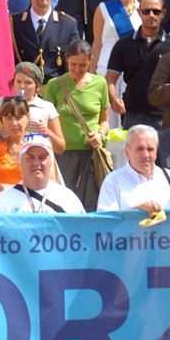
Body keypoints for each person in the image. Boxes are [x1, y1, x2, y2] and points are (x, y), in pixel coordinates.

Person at [44, 38, 110, 211]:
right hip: (62, 156)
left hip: (91, 156)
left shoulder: (100, 84)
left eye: (83, 65)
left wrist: (100, 135)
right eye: (73, 64)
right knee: (62, 203)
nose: (77, 70)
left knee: (91, 204)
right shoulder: (55, 85)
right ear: (66, 59)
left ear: (91, 61)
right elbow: (46, 119)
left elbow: (105, 120)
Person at [106, 0, 170, 129]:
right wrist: (114, 99)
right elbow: (111, 78)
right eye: (146, 11)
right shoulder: (123, 44)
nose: (151, 15)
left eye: (156, 11)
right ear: (139, 13)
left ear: (163, 13)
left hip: (165, 116)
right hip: (132, 115)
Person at [10, 0, 80, 83]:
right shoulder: (13, 24)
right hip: (25, 93)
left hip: (58, 93)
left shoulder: (68, 25)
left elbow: (75, 65)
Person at [97, 122, 170, 212]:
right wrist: (136, 213)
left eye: (150, 149)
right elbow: (106, 223)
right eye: (140, 149)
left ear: (156, 152)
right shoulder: (113, 182)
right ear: (127, 152)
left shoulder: (169, 177)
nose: (145, 155)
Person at [0, 132, 85, 214]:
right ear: (20, 161)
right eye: (30, 157)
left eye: (42, 157)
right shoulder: (3, 201)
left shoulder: (67, 199)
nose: (36, 163)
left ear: (51, 161)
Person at [0, 61, 65, 153]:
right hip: (7, 160)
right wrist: (5, 119)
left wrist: (48, 132)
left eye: (28, 82)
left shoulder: (47, 107)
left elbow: (60, 148)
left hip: (35, 161)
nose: (22, 86)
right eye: (18, 81)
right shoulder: (3, 102)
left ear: (36, 87)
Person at [91, 0, 144, 76]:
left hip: (132, 70)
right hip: (106, 67)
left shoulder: (143, 10)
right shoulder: (103, 8)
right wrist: (91, 72)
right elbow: (97, 43)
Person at [0, 96, 30, 189]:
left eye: (19, 117)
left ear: (27, 117)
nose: (14, 123)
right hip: (2, 202)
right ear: (2, 120)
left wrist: (11, 188)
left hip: (30, 202)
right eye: (9, 118)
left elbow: (49, 184)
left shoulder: (39, 146)